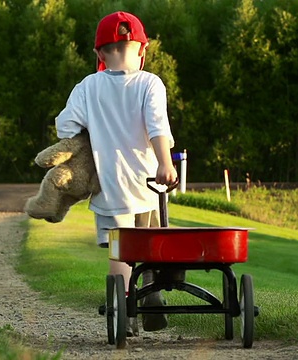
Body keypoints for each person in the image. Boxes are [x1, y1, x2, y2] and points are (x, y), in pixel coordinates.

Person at [54, 11, 178, 334]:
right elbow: (157, 126)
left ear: (99, 53)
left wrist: (92, 132)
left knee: (120, 254)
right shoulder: (150, 83)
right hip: (148, 187)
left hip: (110, 189)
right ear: (142, 50)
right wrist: (165, 162)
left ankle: (123, 310)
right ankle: (151, 293)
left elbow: (64, 126)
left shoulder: (88, 87)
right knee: (150, 245)